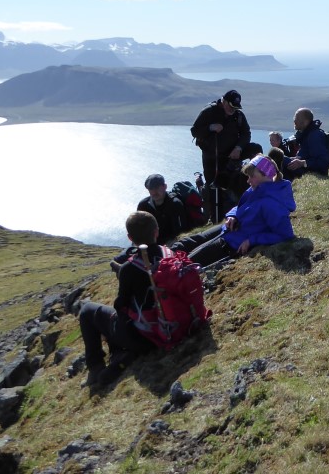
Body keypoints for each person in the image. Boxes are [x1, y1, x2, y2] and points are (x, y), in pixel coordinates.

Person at [77, 211, 162, 389]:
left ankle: (96, 368)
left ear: (130, 238)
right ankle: (118, 355)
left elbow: (120, 305)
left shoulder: (129, 268)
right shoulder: (170, 254)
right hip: (172, 327)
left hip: (144, 338)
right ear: (156, 231)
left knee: (87, 311)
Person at [172, 155, 295, 267]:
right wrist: (233, 216)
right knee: (193, 240)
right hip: (230, 228)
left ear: (266, 175)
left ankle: (168, 270)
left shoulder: (272, 203)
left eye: (252, 176)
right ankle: (167, 253)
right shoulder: (258, 188)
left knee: (190, 260)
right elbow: (241, 207)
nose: (248, 180)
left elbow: (285, 234)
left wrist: (251, 240)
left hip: (231, 244)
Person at [190, 89, 252, 219]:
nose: (233, 110)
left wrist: (239, 148)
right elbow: (195, 131)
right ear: (223, 101)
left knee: (255, 149)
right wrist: (210, 127)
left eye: (235, 107)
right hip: (211, 157)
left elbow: (246, 133)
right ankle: (215, 219)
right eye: (231, 106)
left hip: (231, 155)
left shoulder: (238, 115)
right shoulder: (209, 111)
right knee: (213, 187)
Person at [136, 174, 186, 244]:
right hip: (151, 243)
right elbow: (138, 230)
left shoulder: (175, 204)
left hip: (171, 243)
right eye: (151, 189)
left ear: (165, 186)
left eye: (156, 187)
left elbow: (180, 232)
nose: (154, 192)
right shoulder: (143, 205)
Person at [284, 107, 329, 178]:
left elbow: (323, 162)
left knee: (281, 161)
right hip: (306, 168)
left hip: (316, 173)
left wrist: (302, 163)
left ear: (306, 122)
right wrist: (297, 158)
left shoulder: (315, 136)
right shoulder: (306, 134)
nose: (294, 120)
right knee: (278, 158)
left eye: (297, 118)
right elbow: (306, 154)